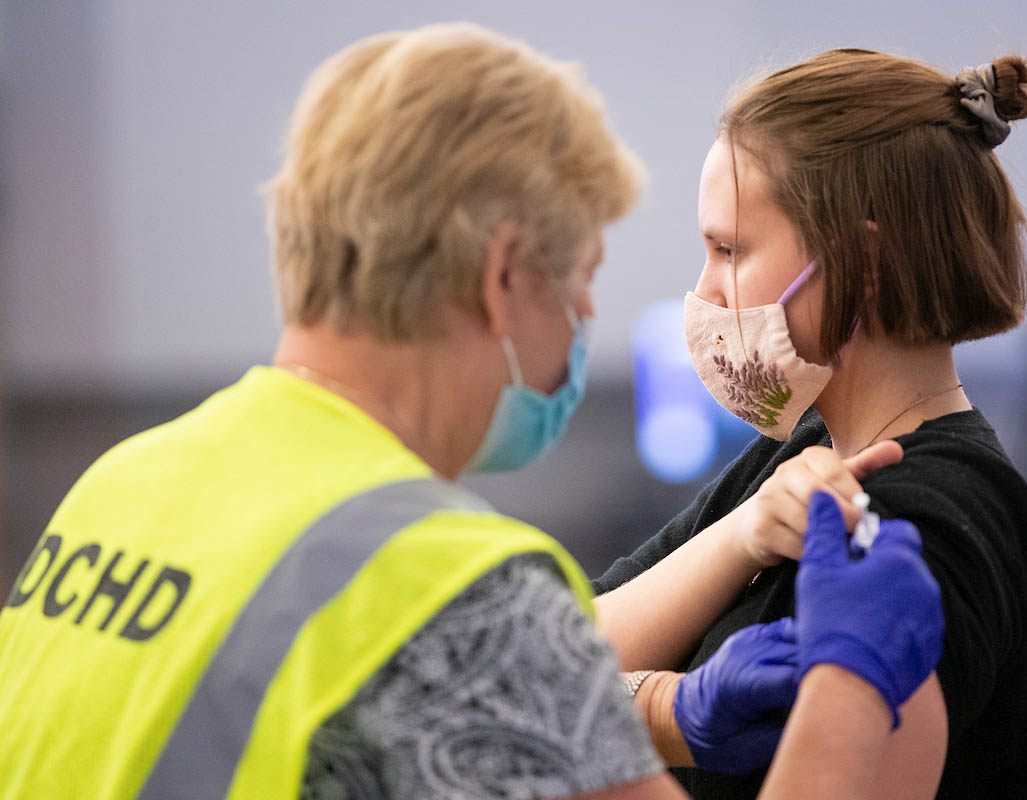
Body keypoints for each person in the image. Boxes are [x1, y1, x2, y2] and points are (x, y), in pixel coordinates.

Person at [0, 25, 945, 800]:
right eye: (580, 282)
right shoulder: (445, 588)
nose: (582, 320)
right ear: (501, 278)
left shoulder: (126, 483)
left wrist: (677, 681)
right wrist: (849, 691)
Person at [593, 49, 1027, 799]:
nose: (703, 289)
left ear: (860, 264)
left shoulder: (927, 524)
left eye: (729, 250)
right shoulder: (798, 456)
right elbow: (562, 656)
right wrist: (737, 539)